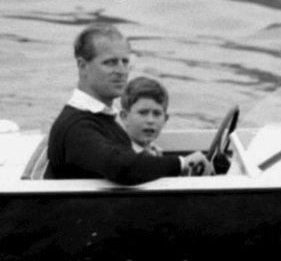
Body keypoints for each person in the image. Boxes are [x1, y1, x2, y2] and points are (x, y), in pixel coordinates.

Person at [45, 24, 212, 183]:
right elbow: (123, 169)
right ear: (83, 66)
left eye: (125, 62)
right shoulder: (77, 127)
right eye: (110, 62)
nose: (121, 71)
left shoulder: (101, 117)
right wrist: (182, 163)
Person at [119, 76, 169, 157]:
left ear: (165, 119)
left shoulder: (155, 152)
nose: (150, 120)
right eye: (143, 113)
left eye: (157, 114)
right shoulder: (119, 155)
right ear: (125, 117)